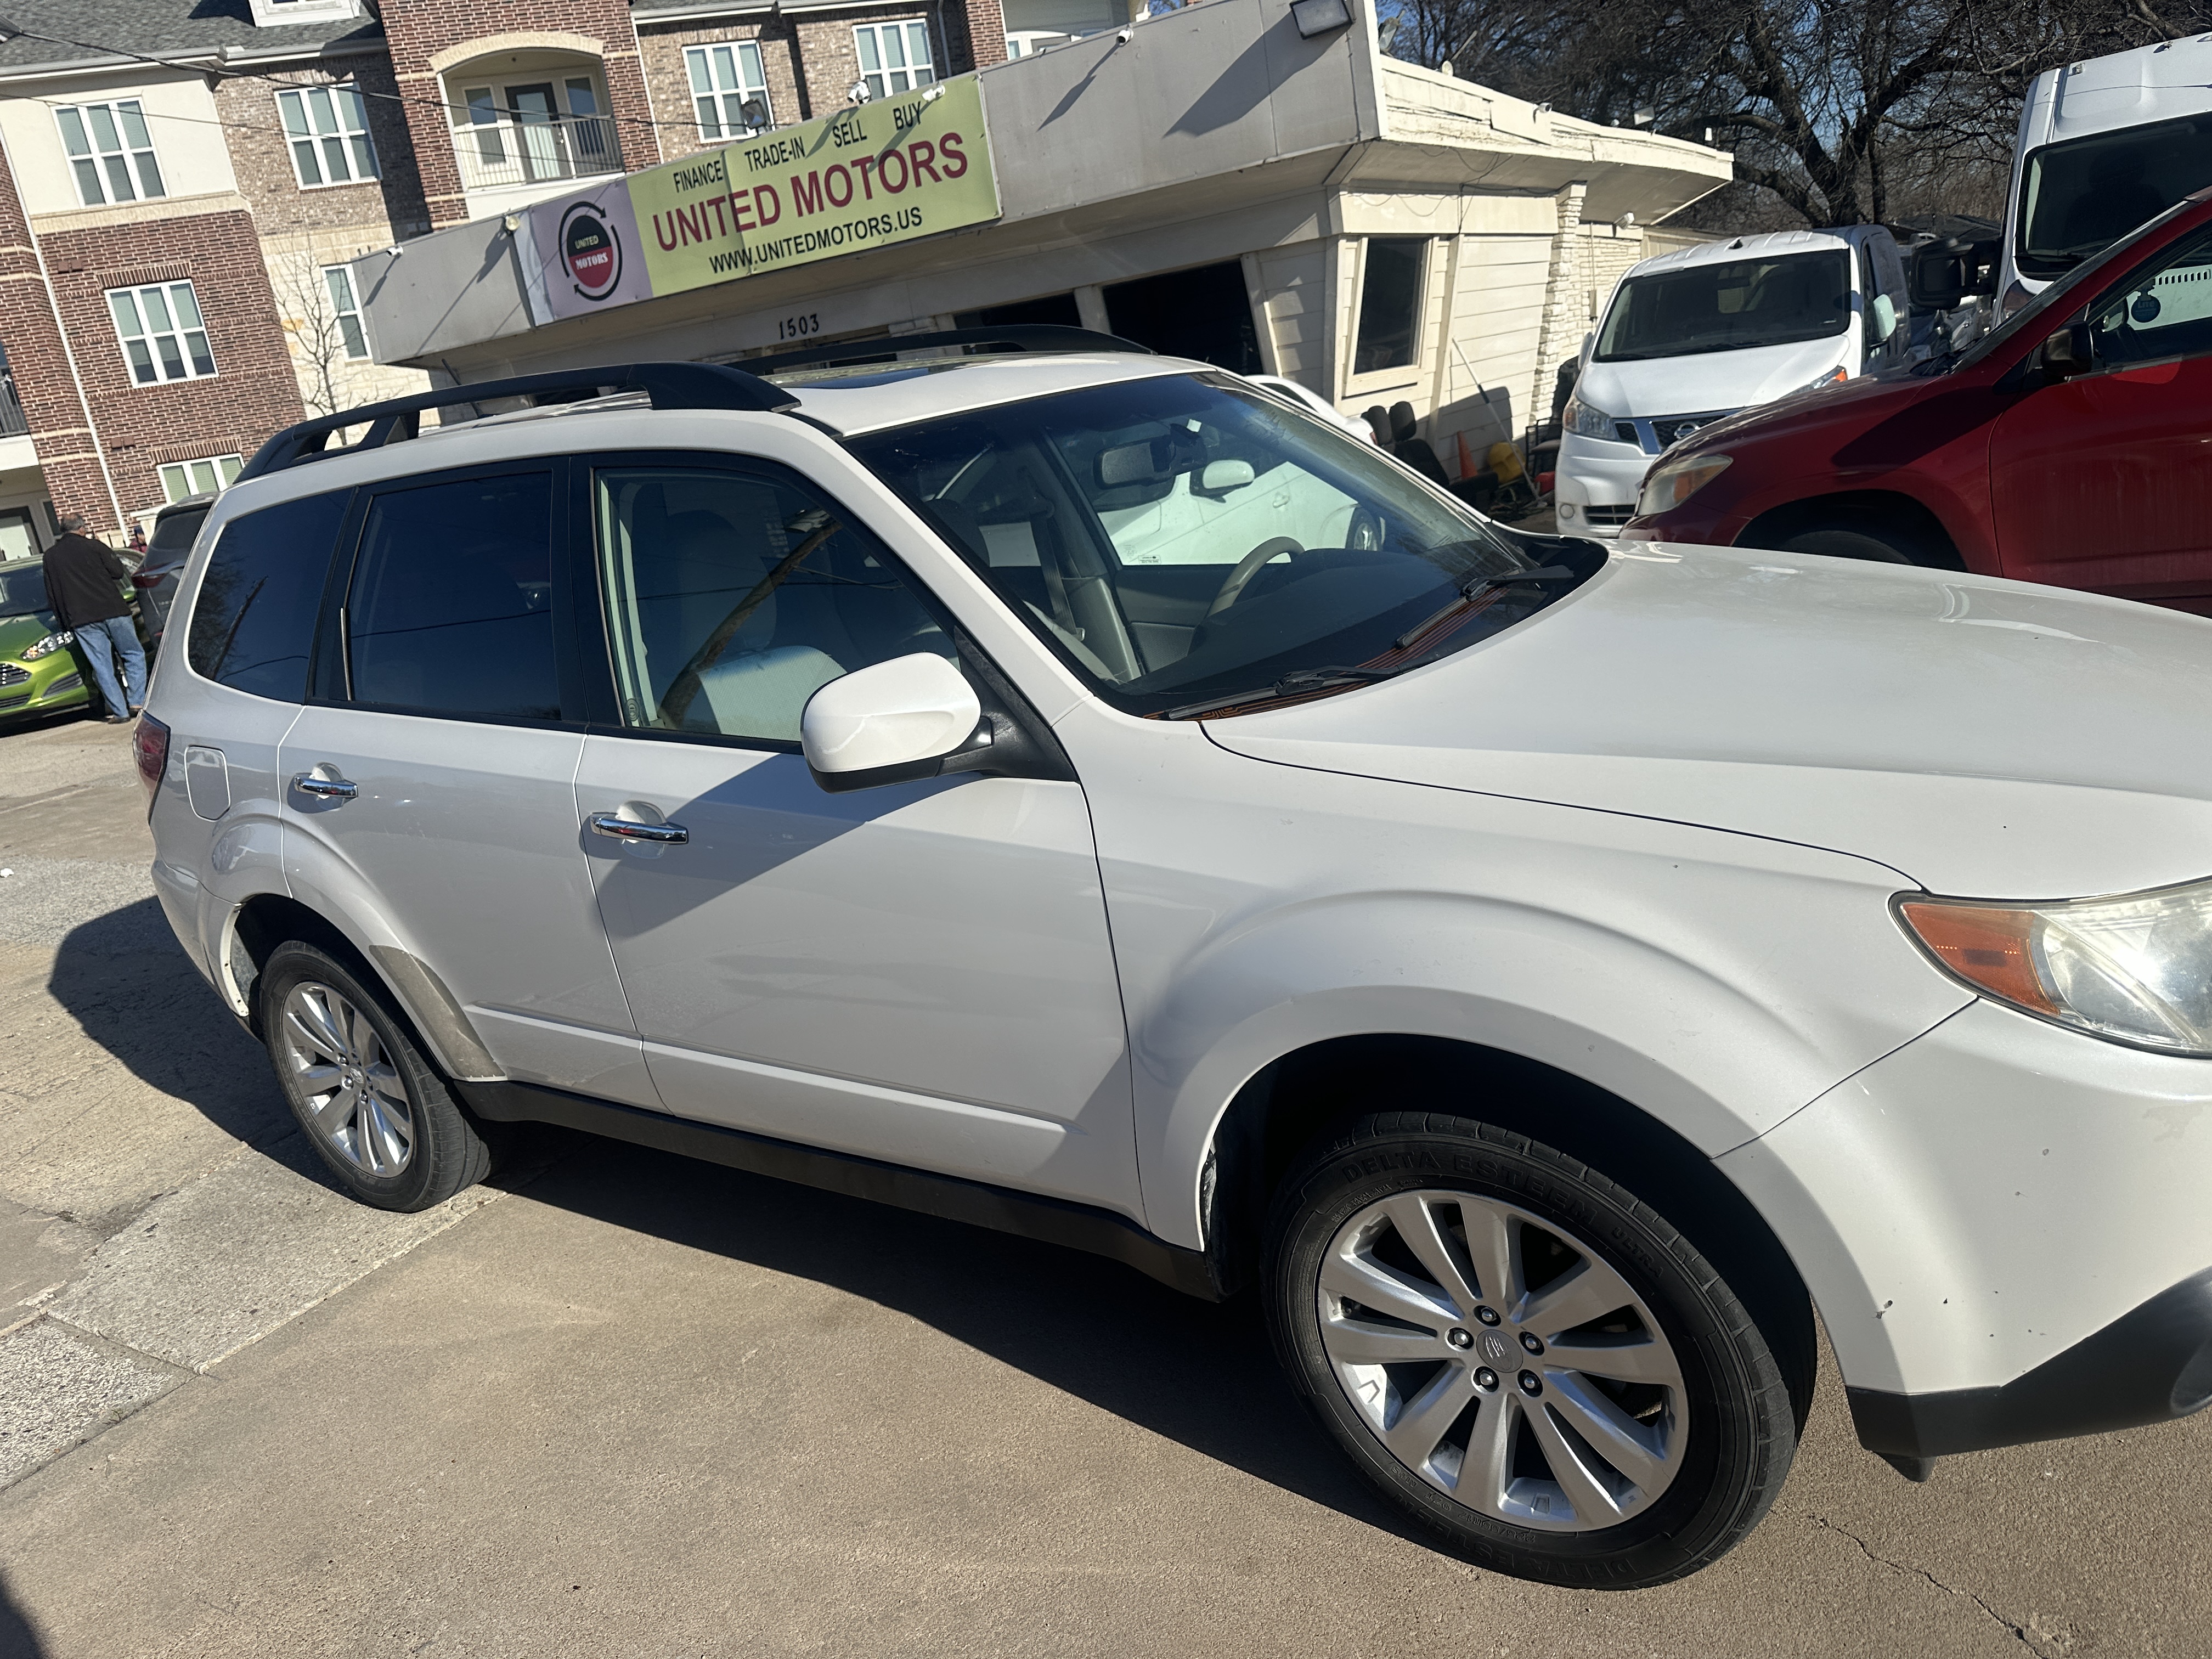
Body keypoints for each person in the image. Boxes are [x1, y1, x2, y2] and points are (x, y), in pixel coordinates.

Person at [40, 511, 145, 723]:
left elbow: (53, 594)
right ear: (82, 529)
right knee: (133, 654)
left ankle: (120, 712)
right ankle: (137, 701)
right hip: (114, 610)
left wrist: (65, 624)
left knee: (102, 665)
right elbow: (117, 572)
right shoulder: (96, 547)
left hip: (82, 619)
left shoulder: (51, 557)